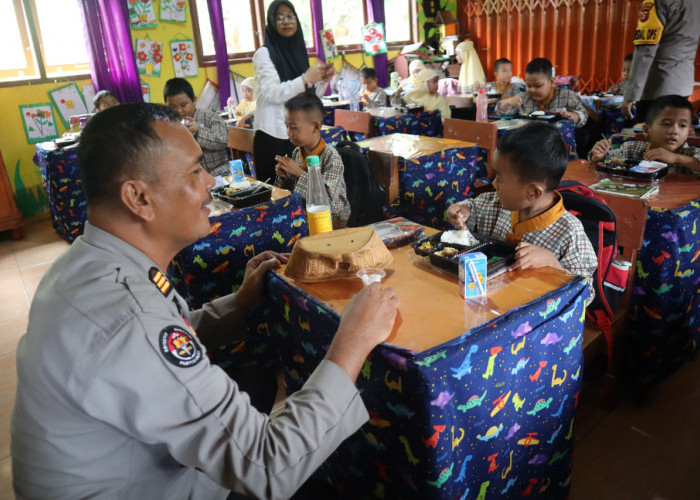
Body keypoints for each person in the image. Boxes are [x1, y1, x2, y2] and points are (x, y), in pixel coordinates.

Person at [11, 102, 400, 499]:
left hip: (132, 467)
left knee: (255, 379)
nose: (210, 184)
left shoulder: (83, 263)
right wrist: (352, 343)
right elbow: (269, 465)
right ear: (138, 198)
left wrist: (240, 301)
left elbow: (159, 344)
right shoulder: (131, 317)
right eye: (195, 171)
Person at [446, 121, 597, 293]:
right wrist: (461, 209)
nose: (494, 184)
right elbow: (472, 207)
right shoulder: (495, 203)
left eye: (500, 178)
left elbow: (586, 291)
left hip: (533, 312)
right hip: (485, 298)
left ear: (533, 192)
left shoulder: (569, 232)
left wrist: (553, 264)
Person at [253, 0, 334, 183]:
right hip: (273, 134)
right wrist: (306, 79)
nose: (286, 21)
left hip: (298, 133)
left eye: (290, 16)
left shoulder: (298, 52)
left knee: (301, 188)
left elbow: (307, 100)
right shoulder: (264, 54)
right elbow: (271, 93)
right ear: (271, 23)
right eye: (279, 17)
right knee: (276, 194)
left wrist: (322, 79)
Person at [274, 93, 351, 227]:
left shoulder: (331, 157)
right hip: (303, 214)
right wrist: (283, 176)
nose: (288, 133)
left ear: (315, 126)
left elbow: (328, 200)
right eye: (286, 126)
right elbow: (289, 192)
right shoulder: (297, 153)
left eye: (293, 127)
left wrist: (298, 173)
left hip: (331, 221)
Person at [496, 58, 592, 157]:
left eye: (538, 86)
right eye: (528, 85)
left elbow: (583, 114)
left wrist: (573, 116)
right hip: (529, 150)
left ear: (551, 81)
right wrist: (508, 102)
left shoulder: (567, 96)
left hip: (559, 151)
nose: (532, 90)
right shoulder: (523, 98)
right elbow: (502, 112)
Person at [622, 0, 700, 121]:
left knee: (648, 136)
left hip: (656, 87)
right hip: (683, 85)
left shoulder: (657, 1)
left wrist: (630, 96)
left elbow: (645, 50)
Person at [589, 94, 700, 173]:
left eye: (682, 125)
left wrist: (676, 158)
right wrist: (599, 156)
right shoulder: (632, 149)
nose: (675, 131)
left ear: (689, 131)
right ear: (647, 130)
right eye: (666, 124)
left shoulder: (690, 153)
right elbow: (607, 160)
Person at [163, 77, 229, 177]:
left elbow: (222, 142)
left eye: (184, 105)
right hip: (191, 177)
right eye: (173, 107)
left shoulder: (211, 117)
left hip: (219, 172)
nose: (179, 111)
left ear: (194, 100)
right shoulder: (170, 124)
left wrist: (199, 130)